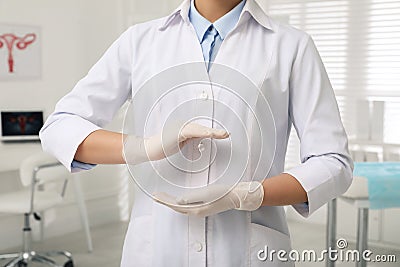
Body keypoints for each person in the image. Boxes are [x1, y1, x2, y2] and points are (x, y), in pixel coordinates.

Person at [40, 0, 354, 266]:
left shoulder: (291, 46)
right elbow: (61, 126)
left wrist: (248, 194)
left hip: (248, 250)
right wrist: (144, 147)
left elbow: (332, 161)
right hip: (155, 249)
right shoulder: (139, 41)